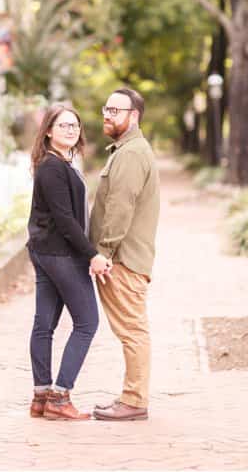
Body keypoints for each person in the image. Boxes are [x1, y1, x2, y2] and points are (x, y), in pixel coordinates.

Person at [26, 103, 112, 421]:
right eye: (63, 125)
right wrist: (92, 255)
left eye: (75, 125)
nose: (71, 130)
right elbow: (65, 219)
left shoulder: (61, 163)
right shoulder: (53, 167)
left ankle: (41, 397)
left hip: (45, 251)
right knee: (87, 322)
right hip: (61, 254)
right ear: (48, 131)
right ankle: (60, 397)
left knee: (44, 324)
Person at [90, 87, 160, 421]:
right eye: (106, 108)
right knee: (132, 330)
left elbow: (121, 207)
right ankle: (132, 396)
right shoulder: (127, 150)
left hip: (123, 260)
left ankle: (134, 401)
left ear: (133, 116)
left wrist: (104, 251)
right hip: (124, 257)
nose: (107, 115)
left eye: (115, 111)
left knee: (132, 330)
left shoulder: (131, 154)